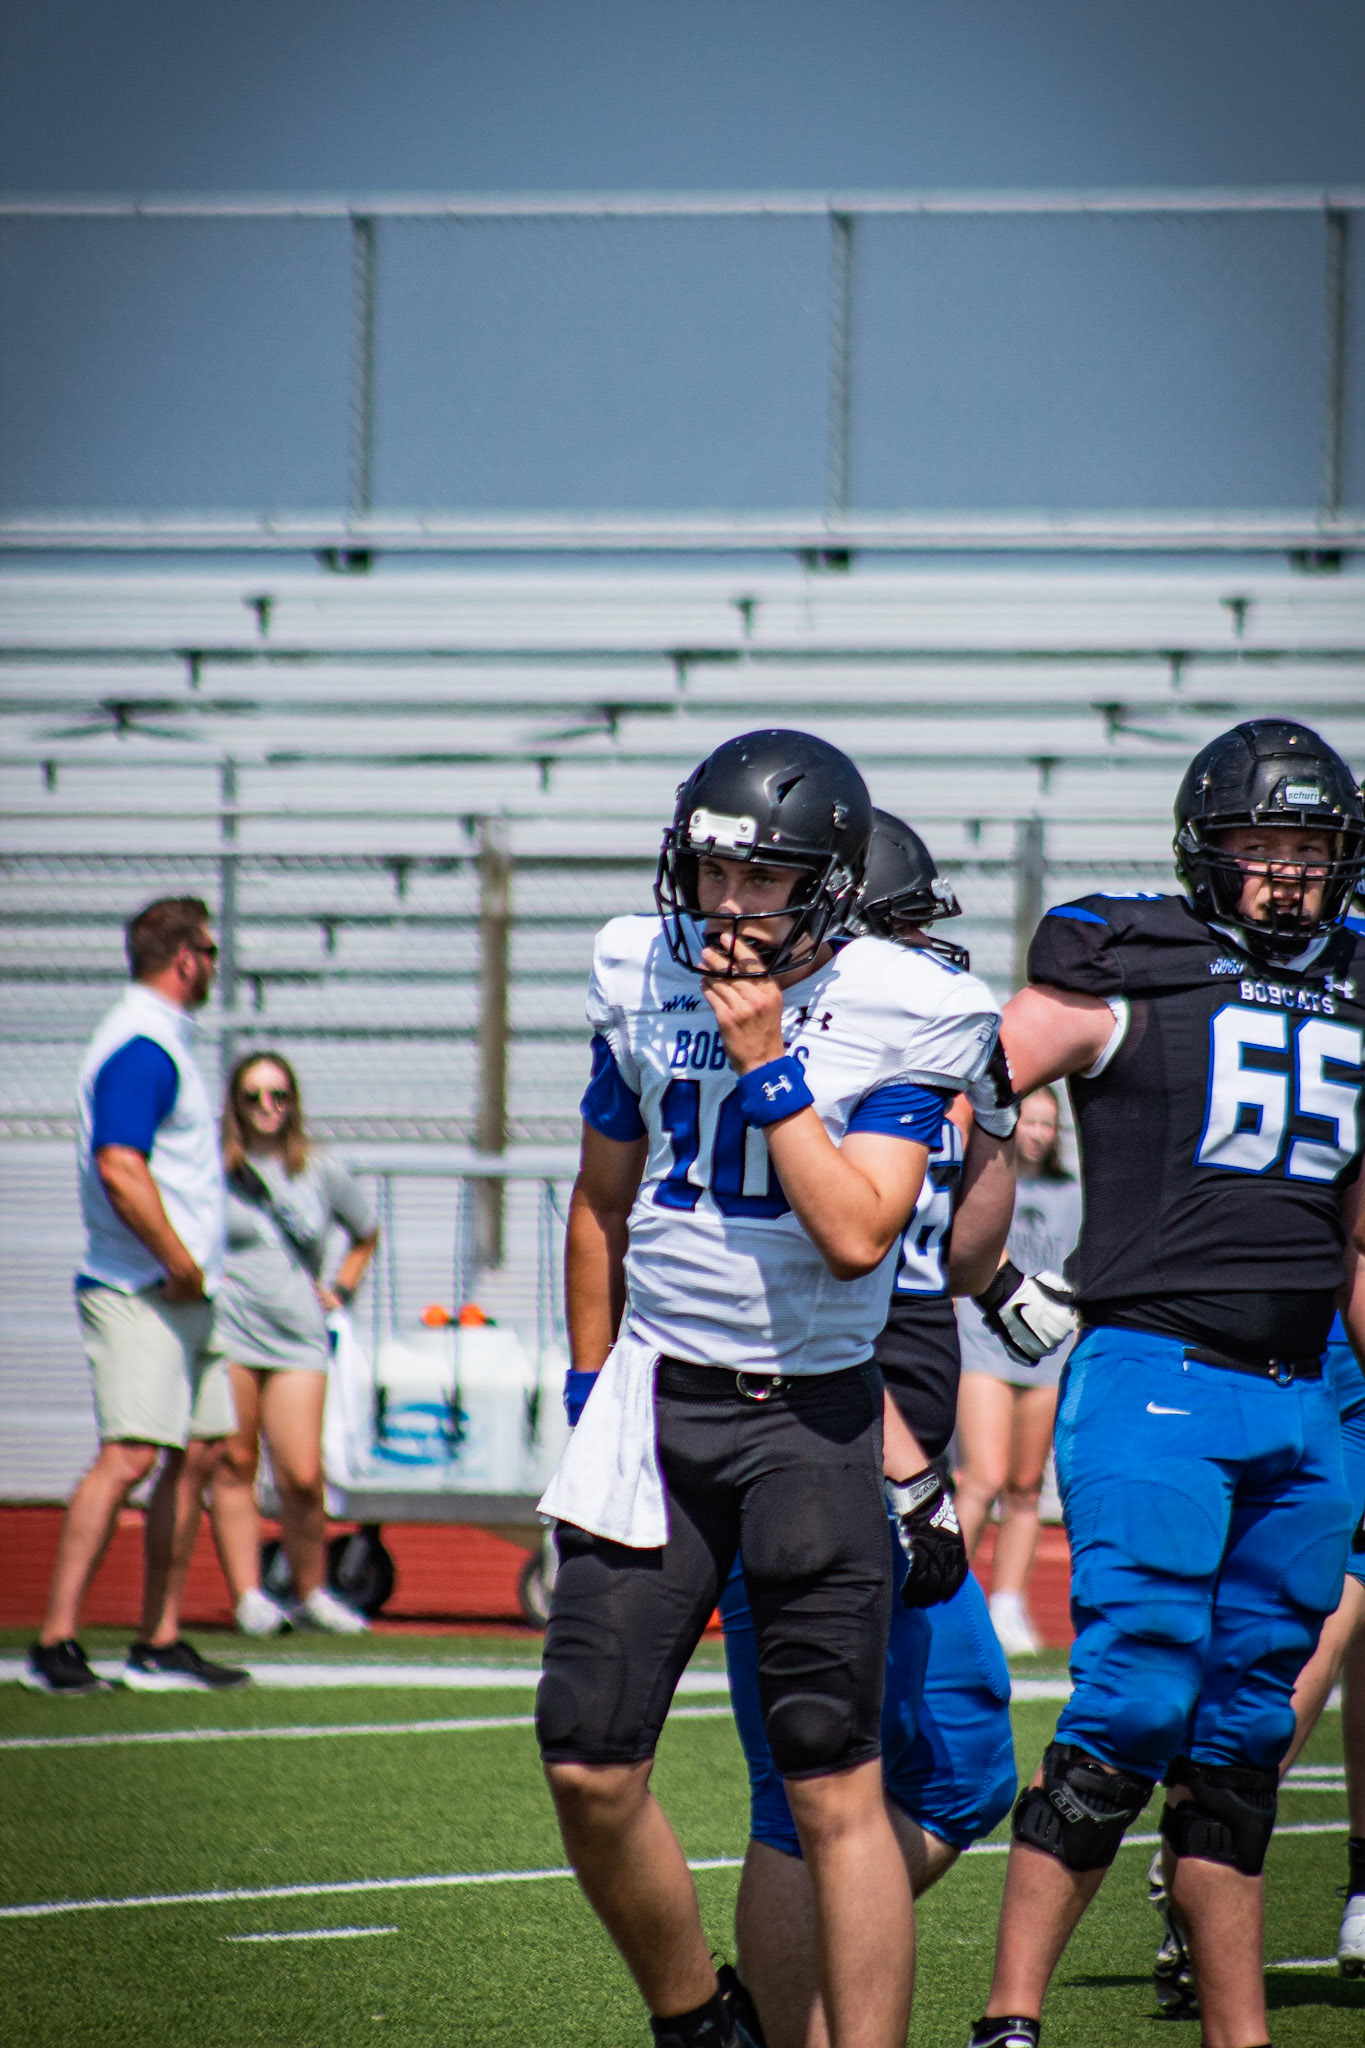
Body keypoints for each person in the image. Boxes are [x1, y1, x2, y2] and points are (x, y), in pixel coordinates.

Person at [535, 733, 1004, 2048]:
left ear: (833, 885)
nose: (730, 905)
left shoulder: (906, 1002)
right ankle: (701, 2025)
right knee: (584, 1754)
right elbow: (599, 1201)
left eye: (765, 877)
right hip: (656, 1403)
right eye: (713, 872)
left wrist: (767, 1061)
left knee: (830, 1780)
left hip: (809, 1413)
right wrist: (587, 1391)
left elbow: (857, 1232)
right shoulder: (636, 965)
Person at [965, 717, 1365, 2048]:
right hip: (1158, 1375)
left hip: (1304, 1397)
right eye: (1261, 841)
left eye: (1309, 844)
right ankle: (1010, 2020)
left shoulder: (1357, 980)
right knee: (1134, 1699)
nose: (1287, 870)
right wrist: (987, 1269)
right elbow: (966, 1084)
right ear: (1207, 849)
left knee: (1243, 1738)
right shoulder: (1130, 960)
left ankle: (1237, 2035)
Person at [717, 810, 1022, 2048]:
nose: (926, 962)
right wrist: (905, 1465)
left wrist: (998, 1117)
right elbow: (806, 1292)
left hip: (885, 1453)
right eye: (904, 933)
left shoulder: (914, 1052)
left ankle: (795, 1999)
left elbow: (965, 1258)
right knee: (810, 1793)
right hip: (825, 1447)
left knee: (951, 1769)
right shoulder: (813, 1058)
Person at [24, 895, 248, 1695]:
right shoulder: (142, 1043)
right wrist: (178, 1260)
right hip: (141, 1287)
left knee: (202, 1451)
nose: (216, 966)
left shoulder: (161, 1039)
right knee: (129, 1456)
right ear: (185, 958)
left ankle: (158, 1638)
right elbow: (120, 1164)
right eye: (210, 952)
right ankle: (55, 1642)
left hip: (180, 1289)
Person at [1148, 1306, 1365, 2013]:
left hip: (1264, 1330)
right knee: (1338, 1595)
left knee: (1303, 1599)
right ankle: (1208, 1830)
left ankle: (1204, 1824)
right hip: (1332, 1344)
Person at [208, 1051, 379, 1636]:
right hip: (229, 1330)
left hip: (297, 1336)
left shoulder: (319, 1169)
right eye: (253, 1096)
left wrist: (341, 1289)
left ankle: (312, 1592)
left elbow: (365, 1232)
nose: (267, 1107)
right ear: (235, 1105)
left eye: (278, 1095)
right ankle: (248, 1597)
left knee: (303, 1474)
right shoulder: (214, 1170)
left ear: (294, 1103)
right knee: (235, 1463)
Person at [955, 1086, 1081, 1656]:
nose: (1037, 1134)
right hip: (983, 1342)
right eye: (1029, 1121)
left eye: (1047, 1125)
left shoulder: (1073, 1194)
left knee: (1026, 1487)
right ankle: (943, 1599)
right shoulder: (984, 1178)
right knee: (982, 1477)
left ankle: (1006, 1606)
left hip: (1045, 1353)